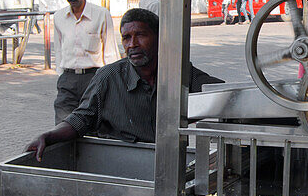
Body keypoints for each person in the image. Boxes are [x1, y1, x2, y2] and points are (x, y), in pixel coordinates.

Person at [26, 8, 221, 157]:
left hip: (168, 164)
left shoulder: (178, 73)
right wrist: (48, 135)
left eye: (141, 35)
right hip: (123, 164)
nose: (132, 44)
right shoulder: (108, 77)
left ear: (160, 38)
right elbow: (80, 119)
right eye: (126, 38)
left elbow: (219, 94)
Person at [52, 0, 120, 123]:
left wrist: (111, 84)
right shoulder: (59, 17)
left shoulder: (101, 14)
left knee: (95, 125)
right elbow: (59, 49)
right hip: (67, 80)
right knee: (62, 126)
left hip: (94, 78)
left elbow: (110, 52)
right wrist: (61, 74)